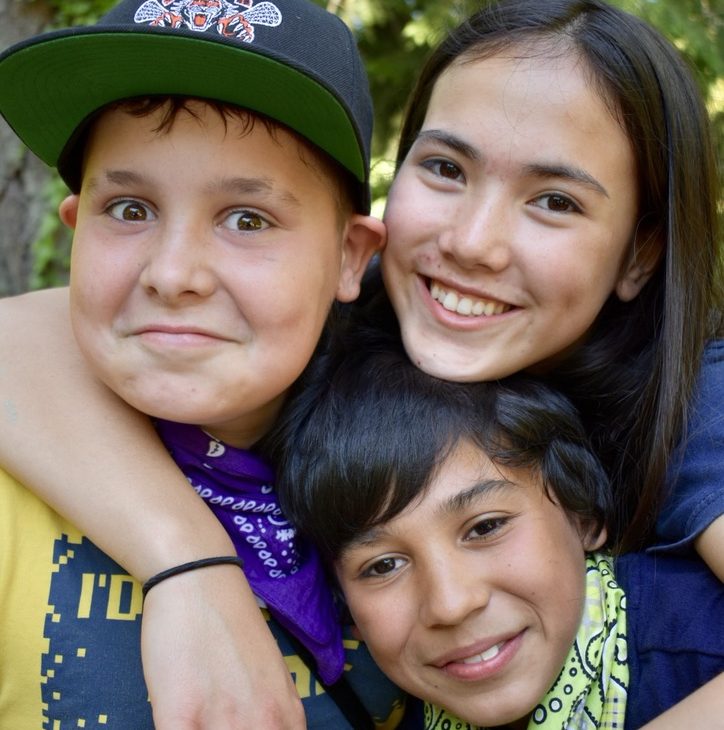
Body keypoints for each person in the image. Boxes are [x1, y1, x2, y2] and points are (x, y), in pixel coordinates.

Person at [0, 0, 722, 725]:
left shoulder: (698, 400)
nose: (473, 242)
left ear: (640, 253)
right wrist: (188, 562)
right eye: (445, 167)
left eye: (556, 201)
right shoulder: (338, 333)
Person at [0, 0, 412, 727]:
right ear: (76, 228)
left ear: (350, 257)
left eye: (247, 219)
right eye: (129, 210)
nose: (172, 273)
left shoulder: (435, 476)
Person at [266, 324, 724, 730]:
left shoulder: (702, 642)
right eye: (383, 565)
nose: (451, 604)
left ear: (583, 512)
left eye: (485, 528)